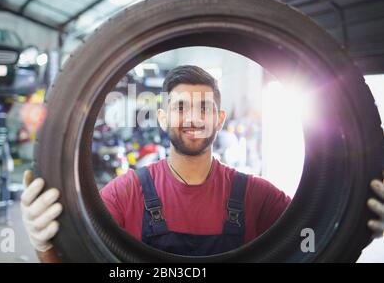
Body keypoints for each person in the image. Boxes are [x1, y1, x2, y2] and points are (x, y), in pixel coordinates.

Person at [21, 65, 384, 262]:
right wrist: (46, 244)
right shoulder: (126, 192)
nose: (192, 117)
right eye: (180, 107)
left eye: (204, 107)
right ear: (162, 118)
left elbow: (322, 245)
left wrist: (358, 223)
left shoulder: (258, 196)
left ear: (219, 118)